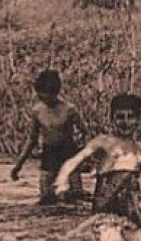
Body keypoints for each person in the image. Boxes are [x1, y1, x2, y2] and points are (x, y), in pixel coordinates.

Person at [54, 93, 141, 241]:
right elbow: (75, 160)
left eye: (130, 117)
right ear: (112, 119)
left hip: (131, 210)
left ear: (138, 120)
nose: (125, 122)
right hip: (105, 210)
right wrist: (62, 178)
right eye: (120, 117)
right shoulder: (103, 142)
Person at [9, 69, 88, 204]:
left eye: (45, 95)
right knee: (46, 198)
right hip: (49, 153)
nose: (42, 97)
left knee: (76, 195)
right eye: (40, 94)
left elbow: (84, 130)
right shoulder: (38, 111)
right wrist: (19, 165)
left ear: (55, 93)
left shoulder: (69, 110)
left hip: (67, 151)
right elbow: (32, 139)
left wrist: (82, 151)